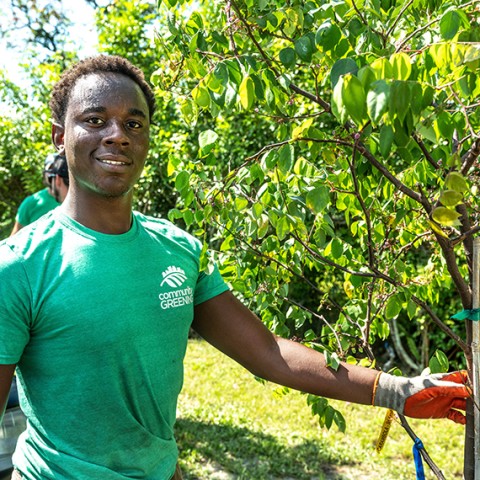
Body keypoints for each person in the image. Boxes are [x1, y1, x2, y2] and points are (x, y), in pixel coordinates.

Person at [0, 55, 469, 480]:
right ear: (61, 136)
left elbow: (268, 352)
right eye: (95, 120)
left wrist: (395, 389)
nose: (117, 134)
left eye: (133, 122)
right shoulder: (20, 267)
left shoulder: (178, 251)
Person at [9, 154, 61, 236]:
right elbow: (14, 240)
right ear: (44, 174)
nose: (55, 174)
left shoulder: (80, 200)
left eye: (59, 169)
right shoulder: (31, 203)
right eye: (51, 169)